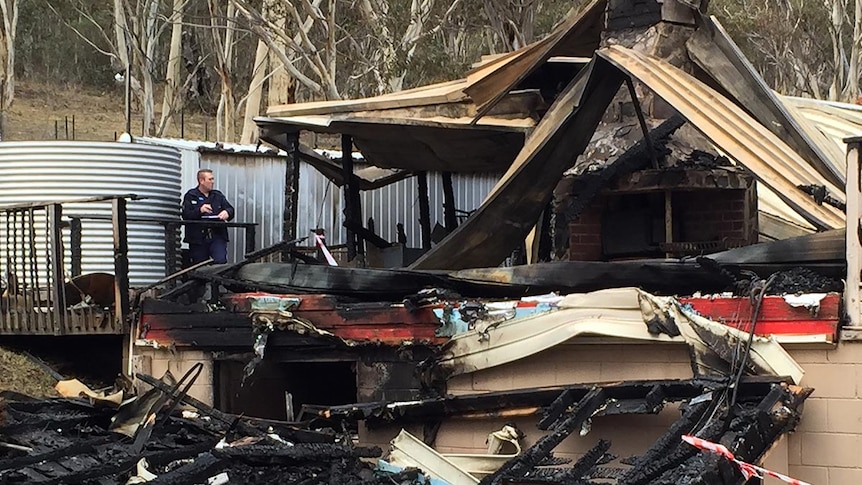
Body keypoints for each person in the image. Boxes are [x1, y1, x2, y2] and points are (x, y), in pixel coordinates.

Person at [182, 169, 235, 264]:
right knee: (200, 266)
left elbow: (231, 209)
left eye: (213, 179)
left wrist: (227, 212)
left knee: (220, 262)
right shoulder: (191, 196)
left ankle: (218, 279)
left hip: (217, 235)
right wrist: (200, 210)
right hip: (198, 239)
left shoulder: (217, 195)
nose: (212, 182)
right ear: (201, 181)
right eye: (210, 179)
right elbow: (186, 215)